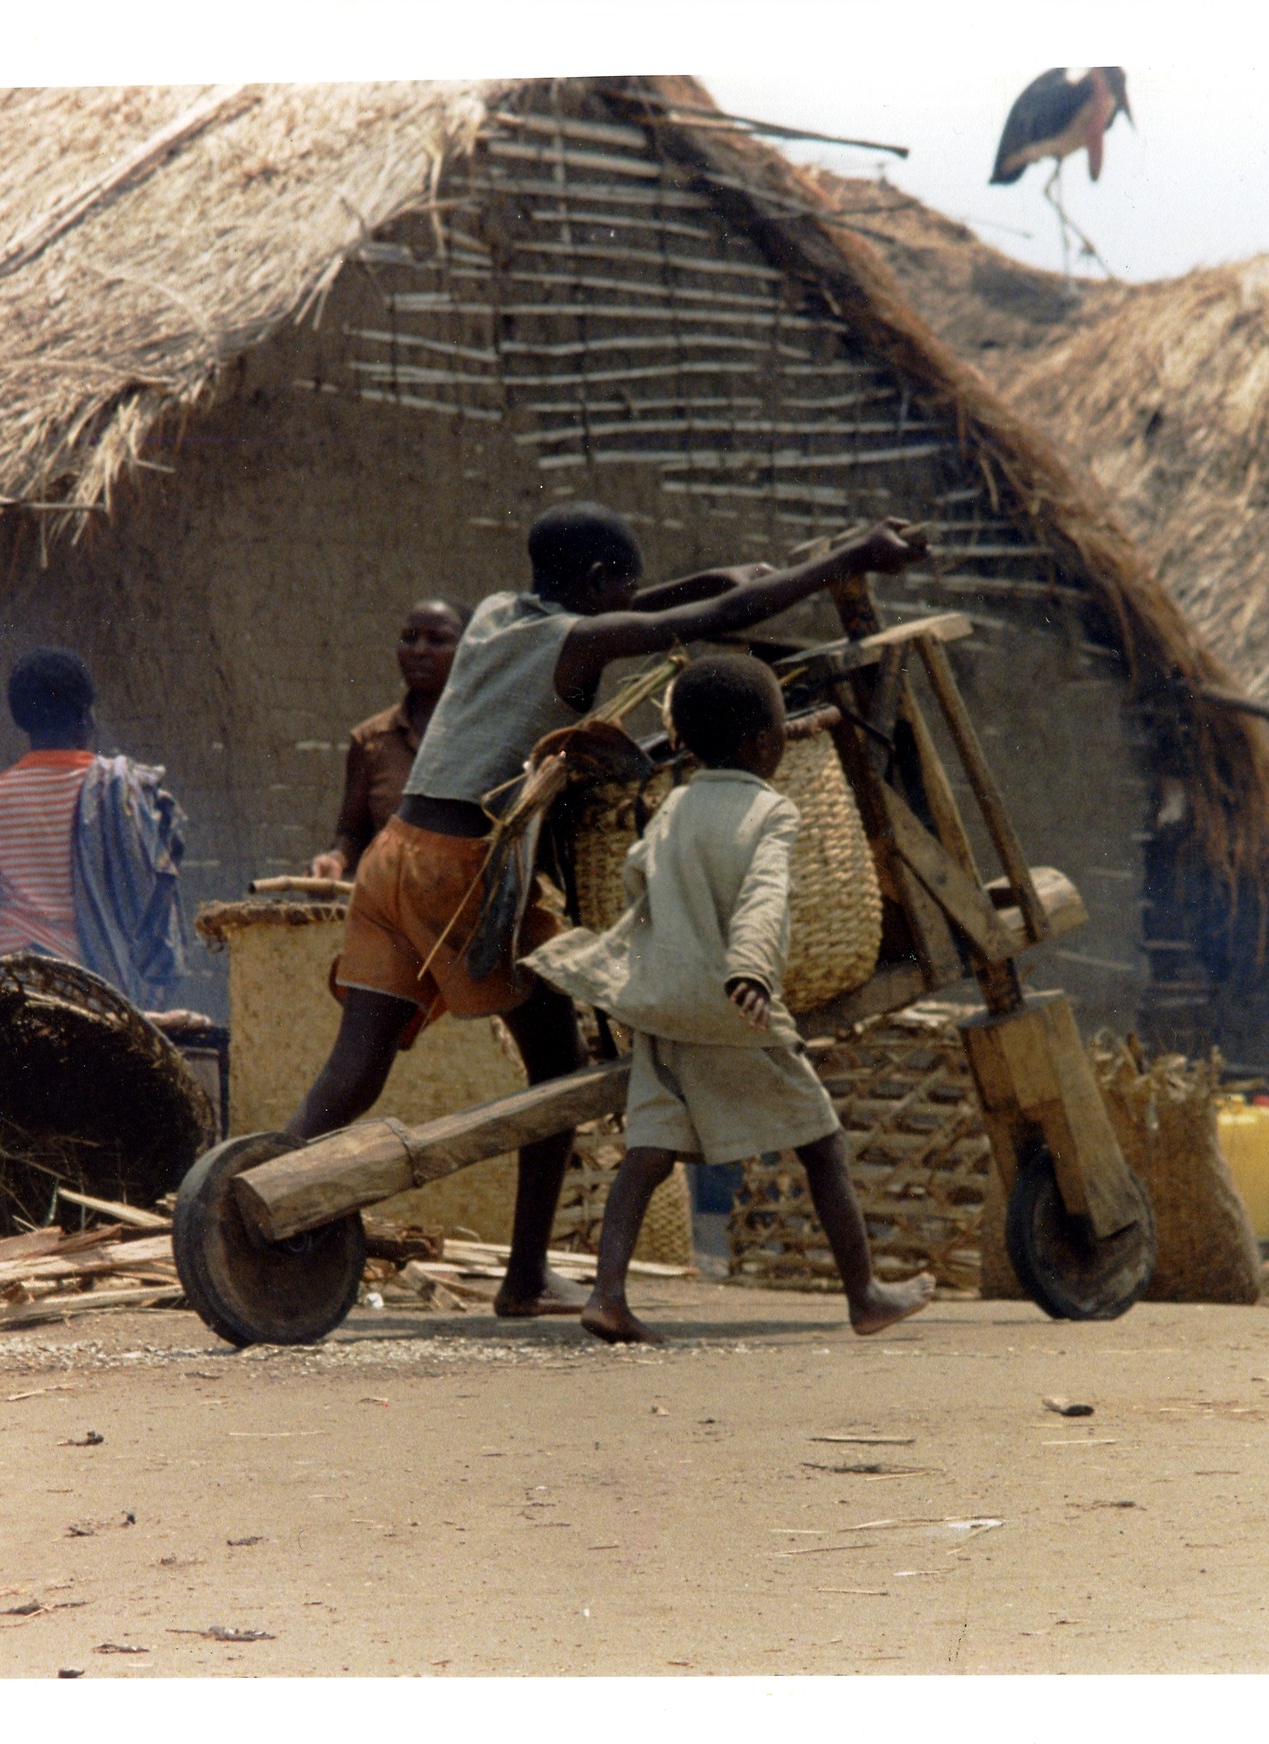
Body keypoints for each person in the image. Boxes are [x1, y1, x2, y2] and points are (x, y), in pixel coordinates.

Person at [284, 500, 926, 1319]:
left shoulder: (494, 617)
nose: (634, 597)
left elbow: (655, 609)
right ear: (594, 583)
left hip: (395, 858)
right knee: (558, 1069)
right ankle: (522, 1277)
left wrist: (707, 579)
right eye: (626, 584)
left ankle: (263, 1183)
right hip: (463, 871)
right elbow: (708, 618)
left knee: (355, 1067)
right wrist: (850, 559)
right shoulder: (570, 644)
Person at [525, 655, 936, 1345]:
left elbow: (635, 881)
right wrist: (748, 970)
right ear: (767, 744)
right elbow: (764, 899)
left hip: (663, 1003)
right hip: (732, 1004)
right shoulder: (771, 811)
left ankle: (608, 1296)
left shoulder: (676, 803)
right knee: (824, 1146)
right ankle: (864, 1294)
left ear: (685, 741)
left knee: (648, 1150)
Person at [0, 648, 193, 1015]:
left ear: (22, 720)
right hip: (102, 992)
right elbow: (152, 881)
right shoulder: (123, 790)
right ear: (84, 718)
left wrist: (11, 898)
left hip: (20, 989)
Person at [310, 600, 466, 882]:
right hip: (390, 913)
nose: (419, 650)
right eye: (409, 638)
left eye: (437, 640)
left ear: (469, 651)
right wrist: (334, 859)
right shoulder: (372, 740)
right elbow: (352, 834)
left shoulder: (484, 738)